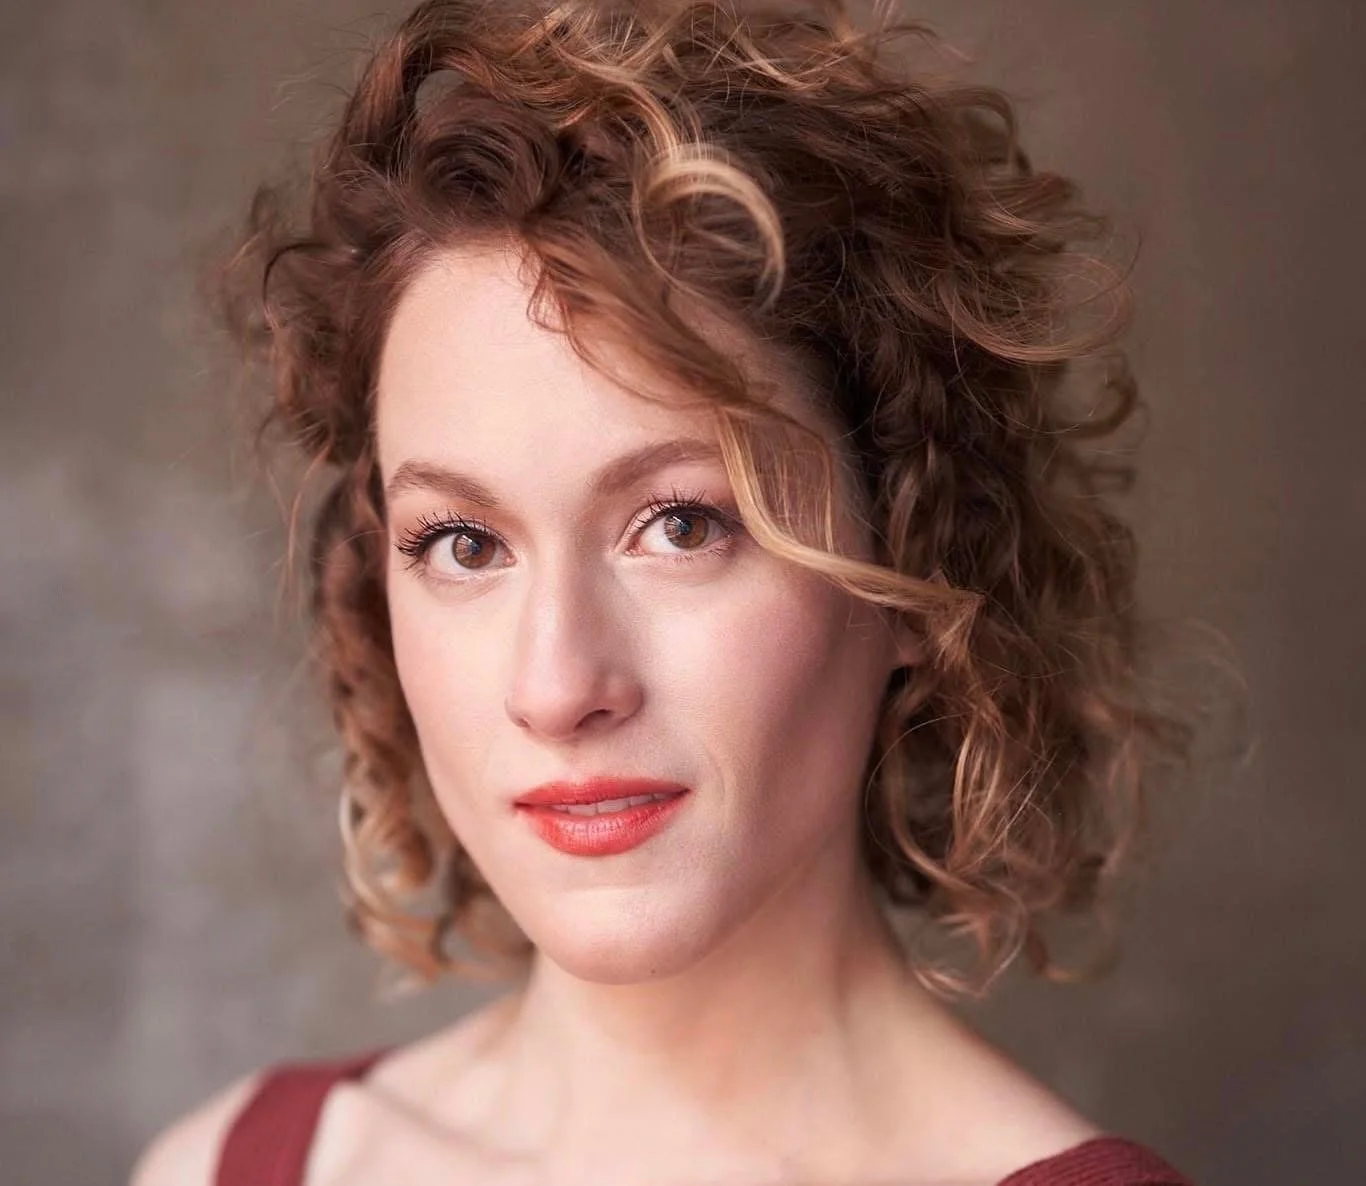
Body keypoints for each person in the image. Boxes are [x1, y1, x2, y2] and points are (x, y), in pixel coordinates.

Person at [131, 0, 1200, 1182]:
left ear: (911, 559)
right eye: (463, 544)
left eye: (682, 524)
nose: (556, 686)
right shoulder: (230, 1165)